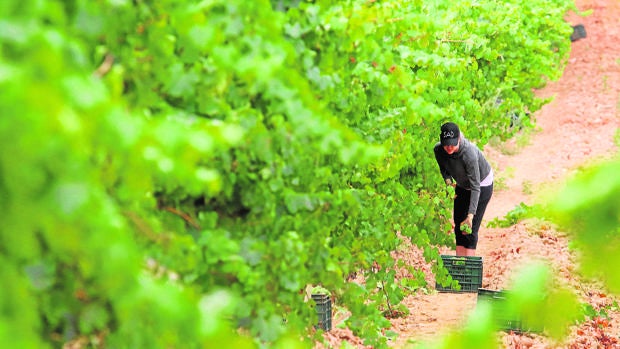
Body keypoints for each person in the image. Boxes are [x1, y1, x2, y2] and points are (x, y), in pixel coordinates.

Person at [433, 122, 493, 256]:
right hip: (462, 185)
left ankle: (469, 269)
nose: (449, 147)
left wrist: (470, 215)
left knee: (470, 229)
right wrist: (449, 184)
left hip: (481, 185)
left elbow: (475, 186)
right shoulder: (438, 150)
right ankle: (460, 266)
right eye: (446, 144)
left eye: (452, 144)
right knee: (459, 226)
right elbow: (444, 169)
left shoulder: (469, 153)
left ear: (459, 139)